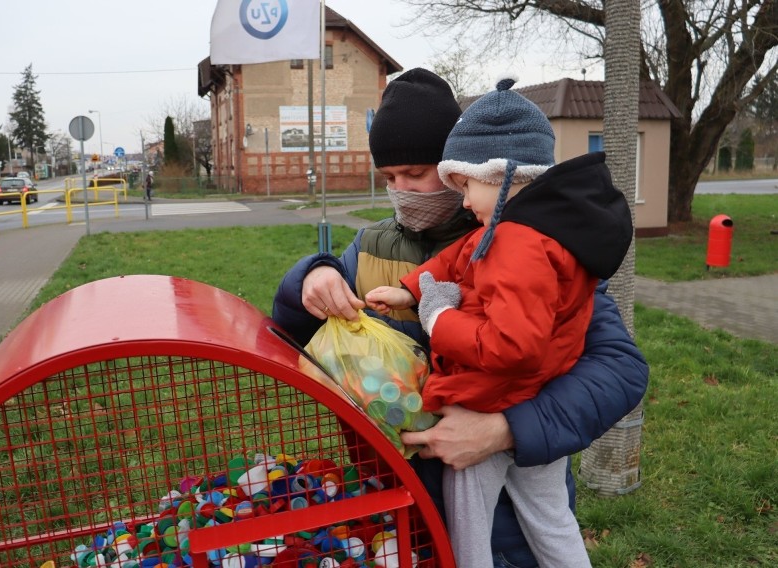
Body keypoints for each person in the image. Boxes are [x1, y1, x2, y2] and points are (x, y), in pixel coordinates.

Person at [272, 68, 648, 567]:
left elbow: (619, 369)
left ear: (462, 168)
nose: (402, 190)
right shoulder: (369, 248)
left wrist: (505, 430)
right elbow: (296, 332)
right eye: (389, 178)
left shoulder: (537, 249)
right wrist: (310, 278)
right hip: (402, 509)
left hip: (509, 529)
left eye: (416, 173)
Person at [364, 77, 632, 567]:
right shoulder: (522, 230)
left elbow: (517, 346)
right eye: (388, 178)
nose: (462, 200)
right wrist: (403, 287)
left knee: (469, 529)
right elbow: (457, 258)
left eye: (460, 183)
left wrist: (437, 316)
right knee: (552, 519)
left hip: (493, 399)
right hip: (532, 404)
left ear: (503, 175)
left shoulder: (515, 243)